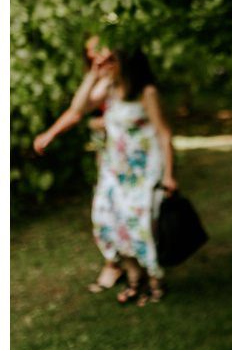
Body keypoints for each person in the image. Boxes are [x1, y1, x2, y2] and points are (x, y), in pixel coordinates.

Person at [35, 48, 177, 305]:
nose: (104, 62)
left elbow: (164, 133)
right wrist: (93, 75)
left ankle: (155, 280)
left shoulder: (147, 93)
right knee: (109, 220)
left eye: (111, 59)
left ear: (127, 62)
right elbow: (78, 108)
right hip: (114, 169)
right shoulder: (109, 88)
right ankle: (135, 278)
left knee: (141, 225)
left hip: (143, 170)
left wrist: (169, 174)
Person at [35, 36, 127, 293]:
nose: (97, 56)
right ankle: (115, 262)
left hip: (131, 157)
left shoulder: (124, 78)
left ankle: (131, 268)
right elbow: (78, 110)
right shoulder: (100, 79)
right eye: (90, 52)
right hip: (109, 156)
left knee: (124, 211)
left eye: (100, 49)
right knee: (104, 210)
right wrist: (51, 134)